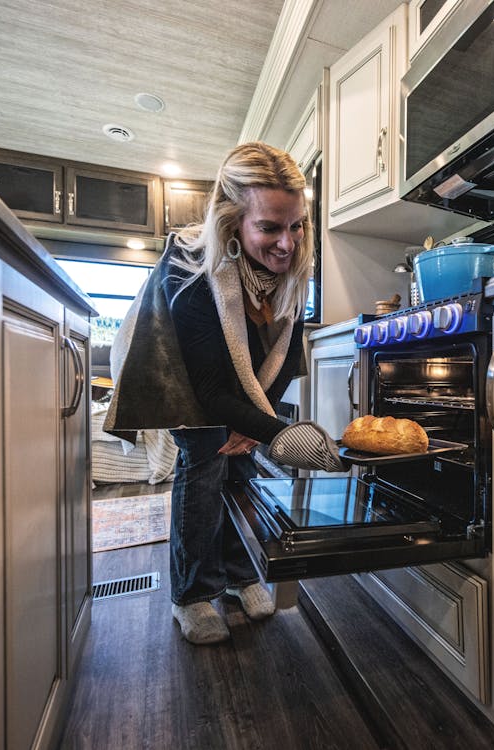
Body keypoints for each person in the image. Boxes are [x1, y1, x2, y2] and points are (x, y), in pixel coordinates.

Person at [104, 142, 346, 645]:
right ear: (232, 222)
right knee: (206, 456)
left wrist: (257, 425)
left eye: (296, 225)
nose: (288, 243)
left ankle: (239, 575)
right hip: (172, 364)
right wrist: (282, 434)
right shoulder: (191, 270)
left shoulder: (294, 267)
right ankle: (191, 594)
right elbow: (209, 388)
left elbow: (281, 360)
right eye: (270, 228)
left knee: (242, 462)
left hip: (237, 374)